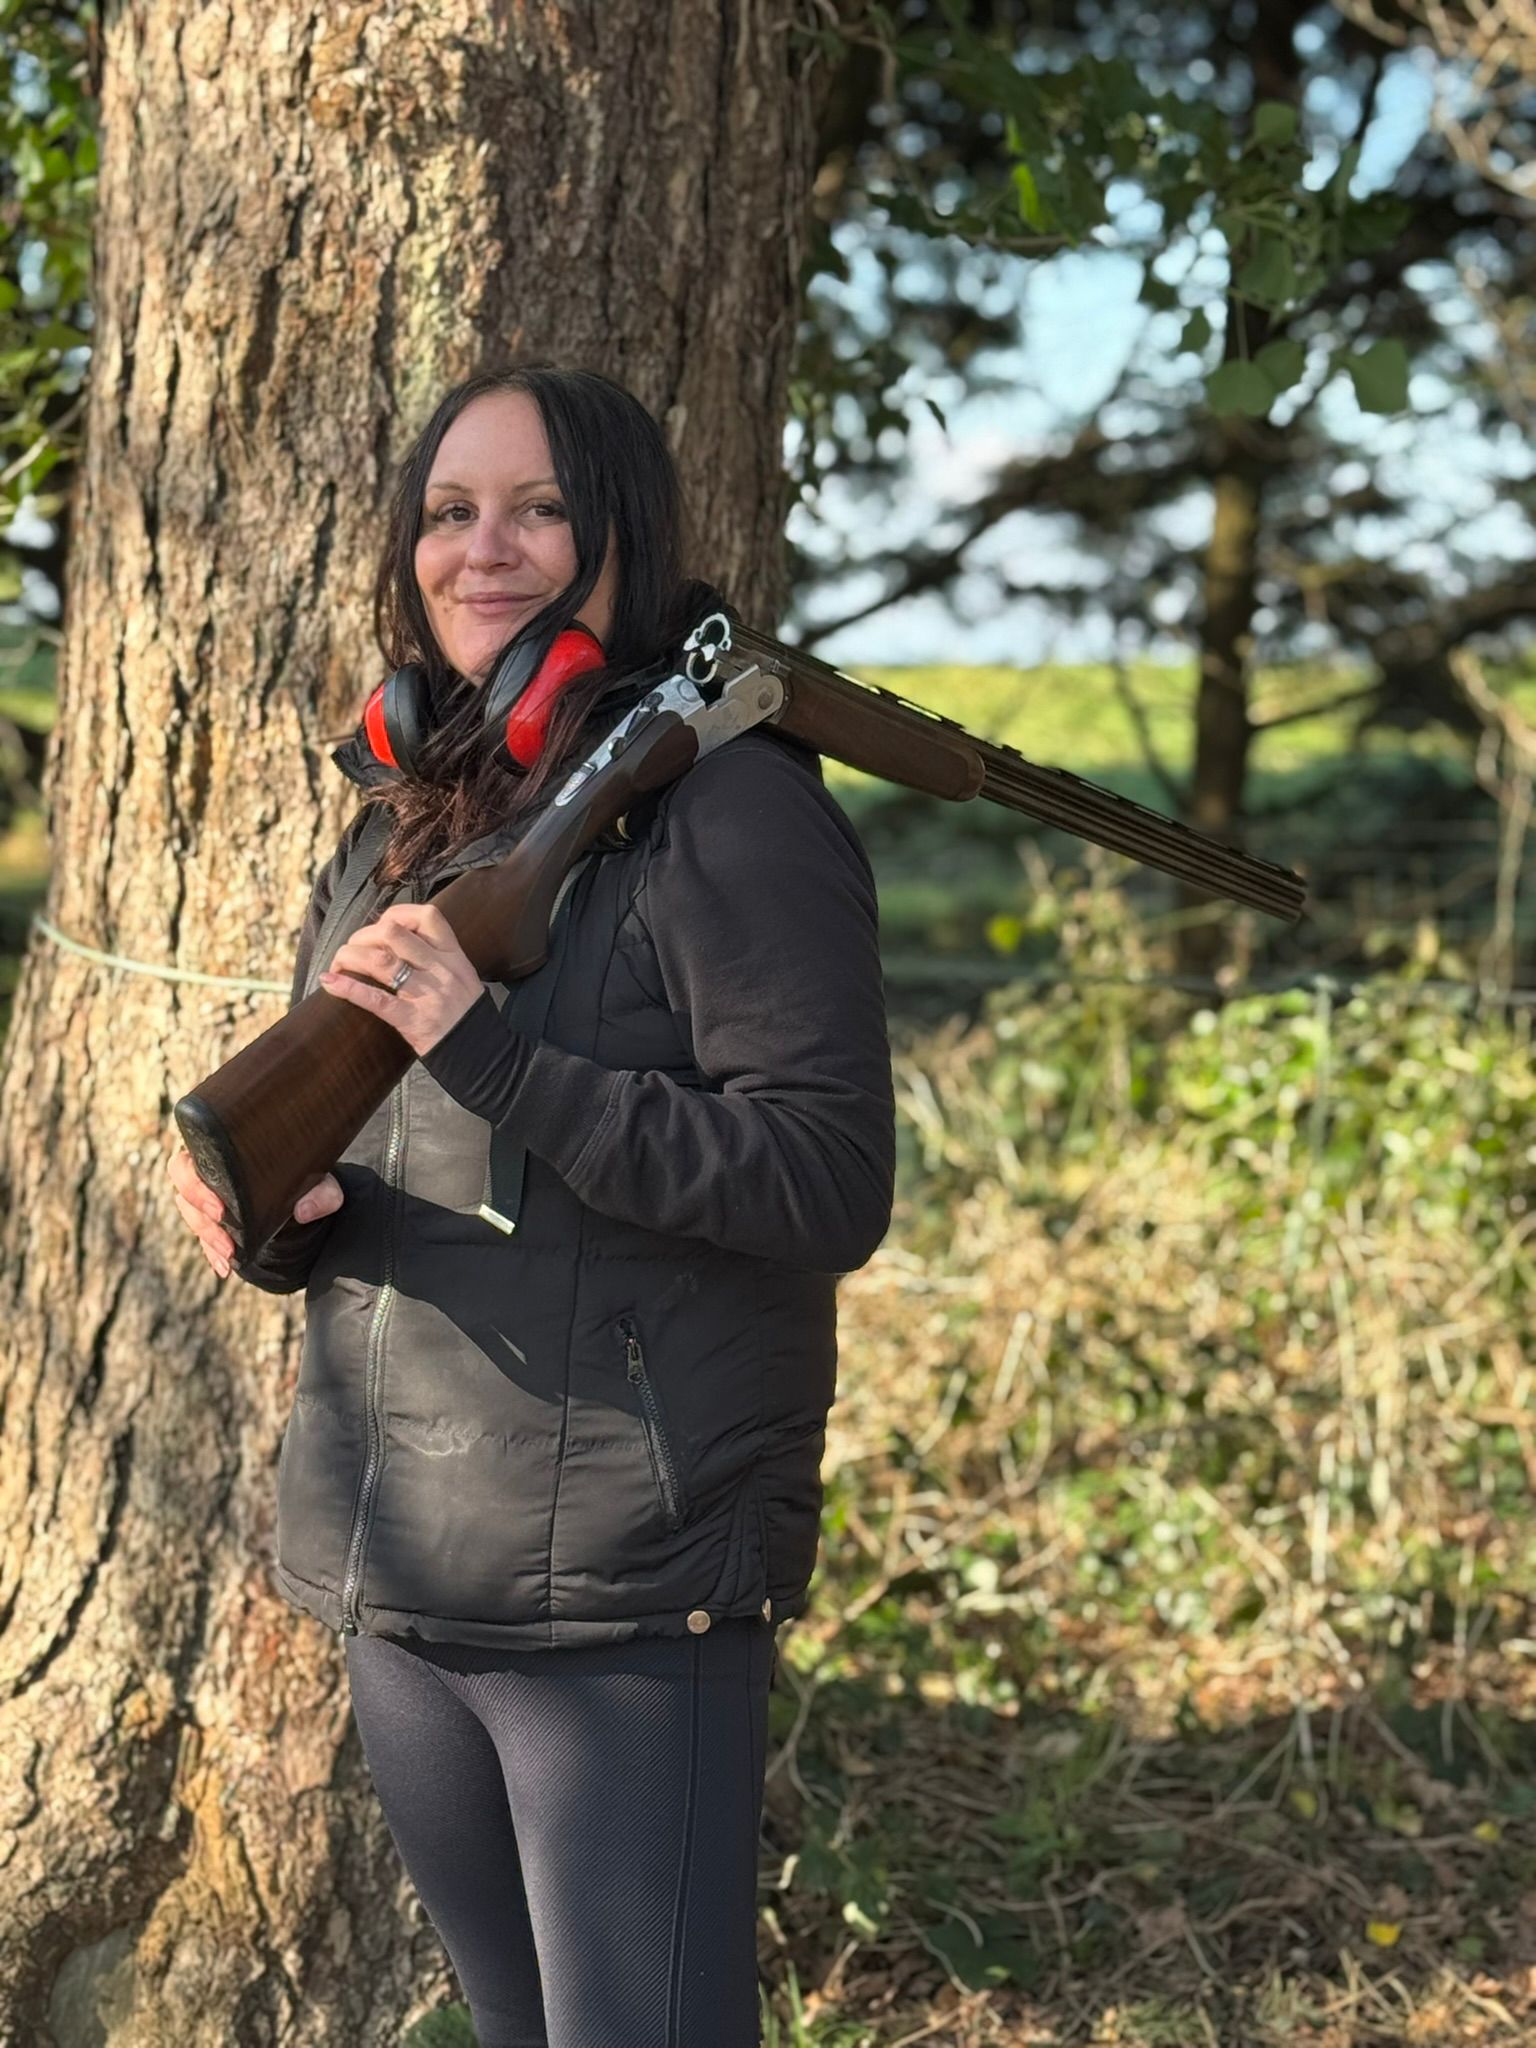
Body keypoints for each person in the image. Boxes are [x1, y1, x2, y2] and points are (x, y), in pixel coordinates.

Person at [166, 362, 896, 2048]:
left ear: (624, 537)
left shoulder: (736, 811)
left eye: (540, 507)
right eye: (449, 510)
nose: (481, 549)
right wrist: (280, 1223)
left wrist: (499, 1061)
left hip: (629, 1590)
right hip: (398, 1569)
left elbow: (828, 1180)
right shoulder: (402, 824)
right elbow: (371, 1172)